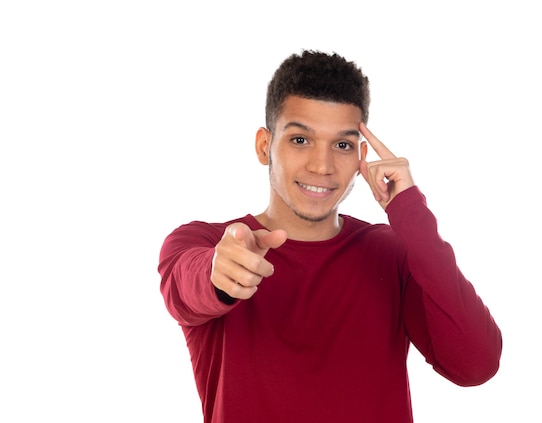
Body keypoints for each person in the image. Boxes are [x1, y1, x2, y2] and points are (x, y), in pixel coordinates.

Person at [158, 50, 502, 423]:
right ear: (264, 146)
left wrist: (411, 214)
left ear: (361, 157)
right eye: (300, 140)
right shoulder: (204, 244)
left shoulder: (391, 252)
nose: (321, 166)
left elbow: (475, 364)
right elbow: (186, 289)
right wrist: (219, 274)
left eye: (342, 145)